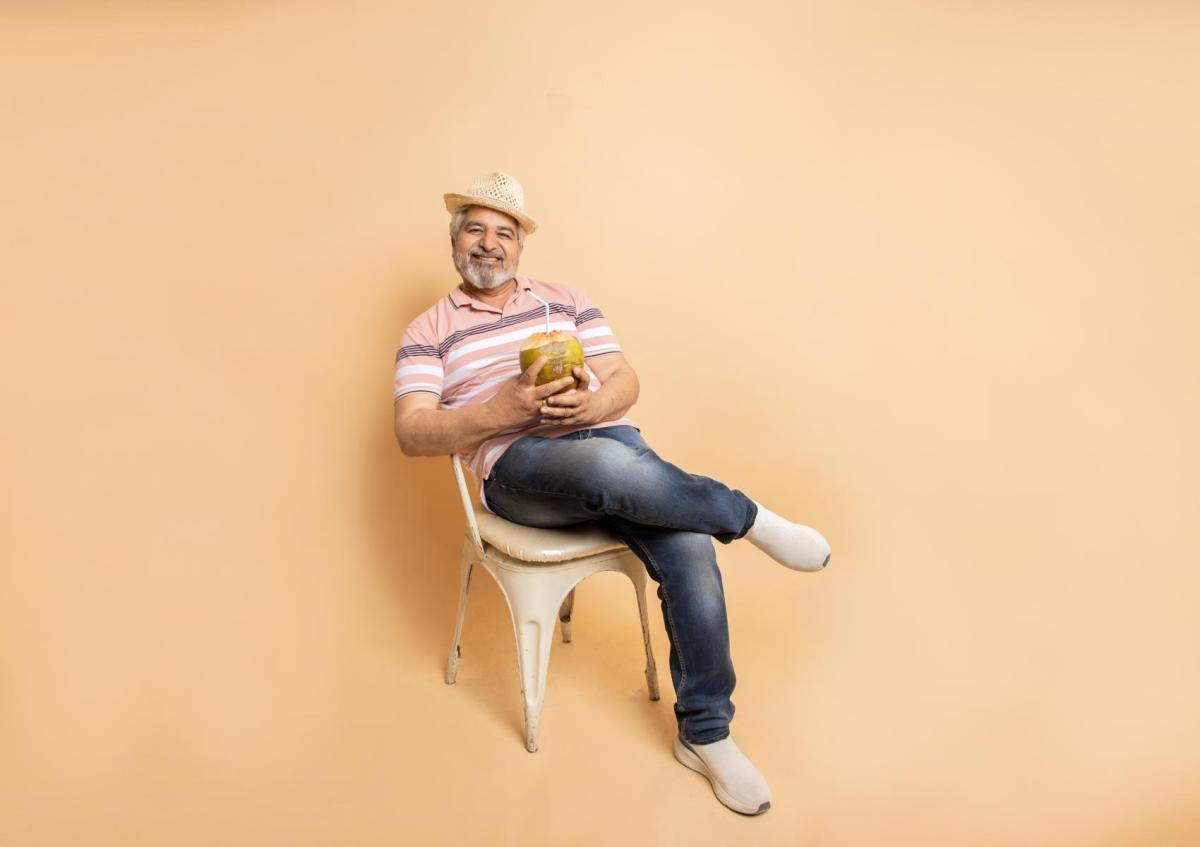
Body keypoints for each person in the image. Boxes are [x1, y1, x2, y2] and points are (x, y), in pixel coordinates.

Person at [392, 171, 832, 816]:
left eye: (503, 233)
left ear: (521, 246)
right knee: (604, 461)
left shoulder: (565, 300)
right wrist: (500, 409)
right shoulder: (427, 331)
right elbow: (412, 432)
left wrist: (593, 403)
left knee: (686, 545)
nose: (489, 244)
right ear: (455, 243)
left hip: (617, 452)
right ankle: (748, 517)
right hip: (518, 471)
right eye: (475, 231)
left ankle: (706, 733)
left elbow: (623, 378)